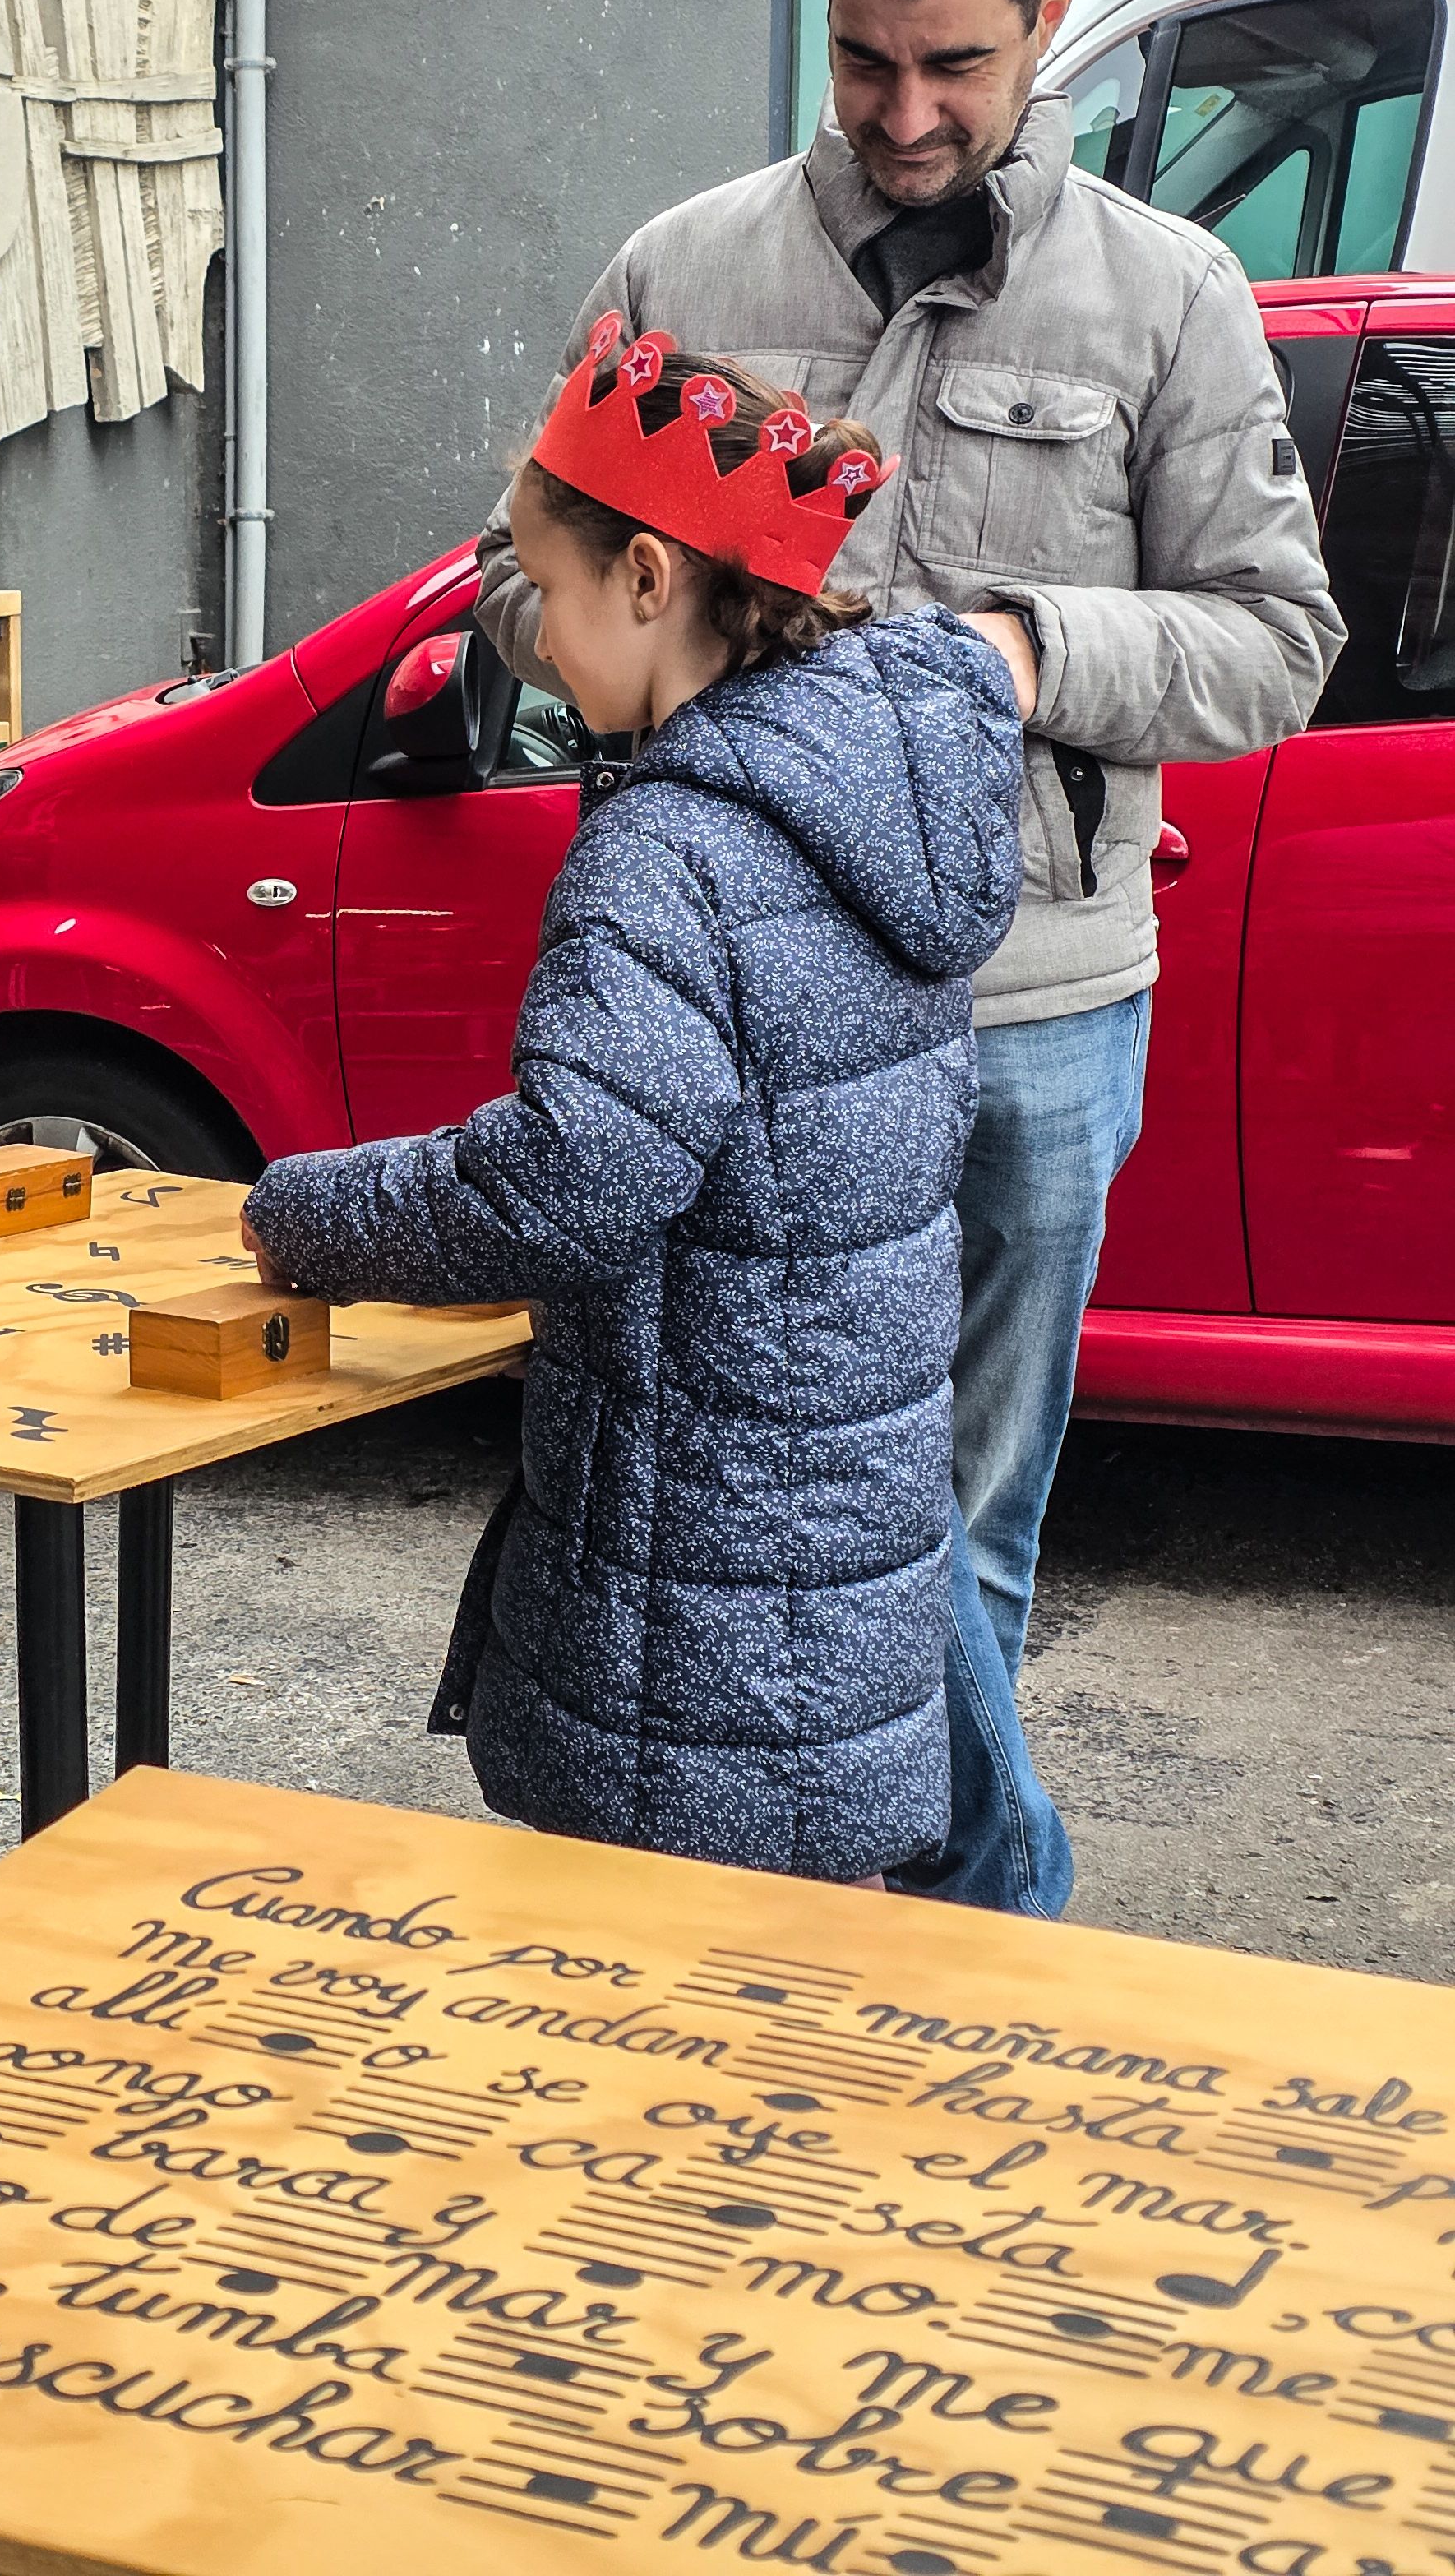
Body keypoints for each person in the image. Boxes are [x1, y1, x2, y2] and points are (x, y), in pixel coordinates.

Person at [473, 0, 1343, 1915]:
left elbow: (1278, 639)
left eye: (954, 64)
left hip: (1034, 1010)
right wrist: (656, 656)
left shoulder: (1173, 295)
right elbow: (532, 589)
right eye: (864, 61)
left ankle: (941, 1947)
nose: (905, 112)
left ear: (1051, 17)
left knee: (948, 1530)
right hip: (736, 1036)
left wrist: (1024, 649)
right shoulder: (683, 276)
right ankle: (914, 1930)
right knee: (733, 1517)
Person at [244, 331, 1025, 1885]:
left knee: (663, 2027)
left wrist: (303, 1209)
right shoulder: (879, 780)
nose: (525, 631)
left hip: (698, 1580)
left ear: (654, 581)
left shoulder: (670, 849)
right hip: (833, 1535)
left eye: (546, 586)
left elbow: (568, 1179)